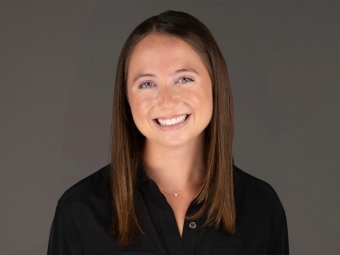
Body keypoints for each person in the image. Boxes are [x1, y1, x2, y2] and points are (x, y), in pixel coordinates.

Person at [47, 10, 289, 255]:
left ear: (216, 85)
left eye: (184, 79)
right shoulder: (80, 211)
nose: (166, 100)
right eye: (147, 84)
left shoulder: (261, 206)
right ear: (127, 99)